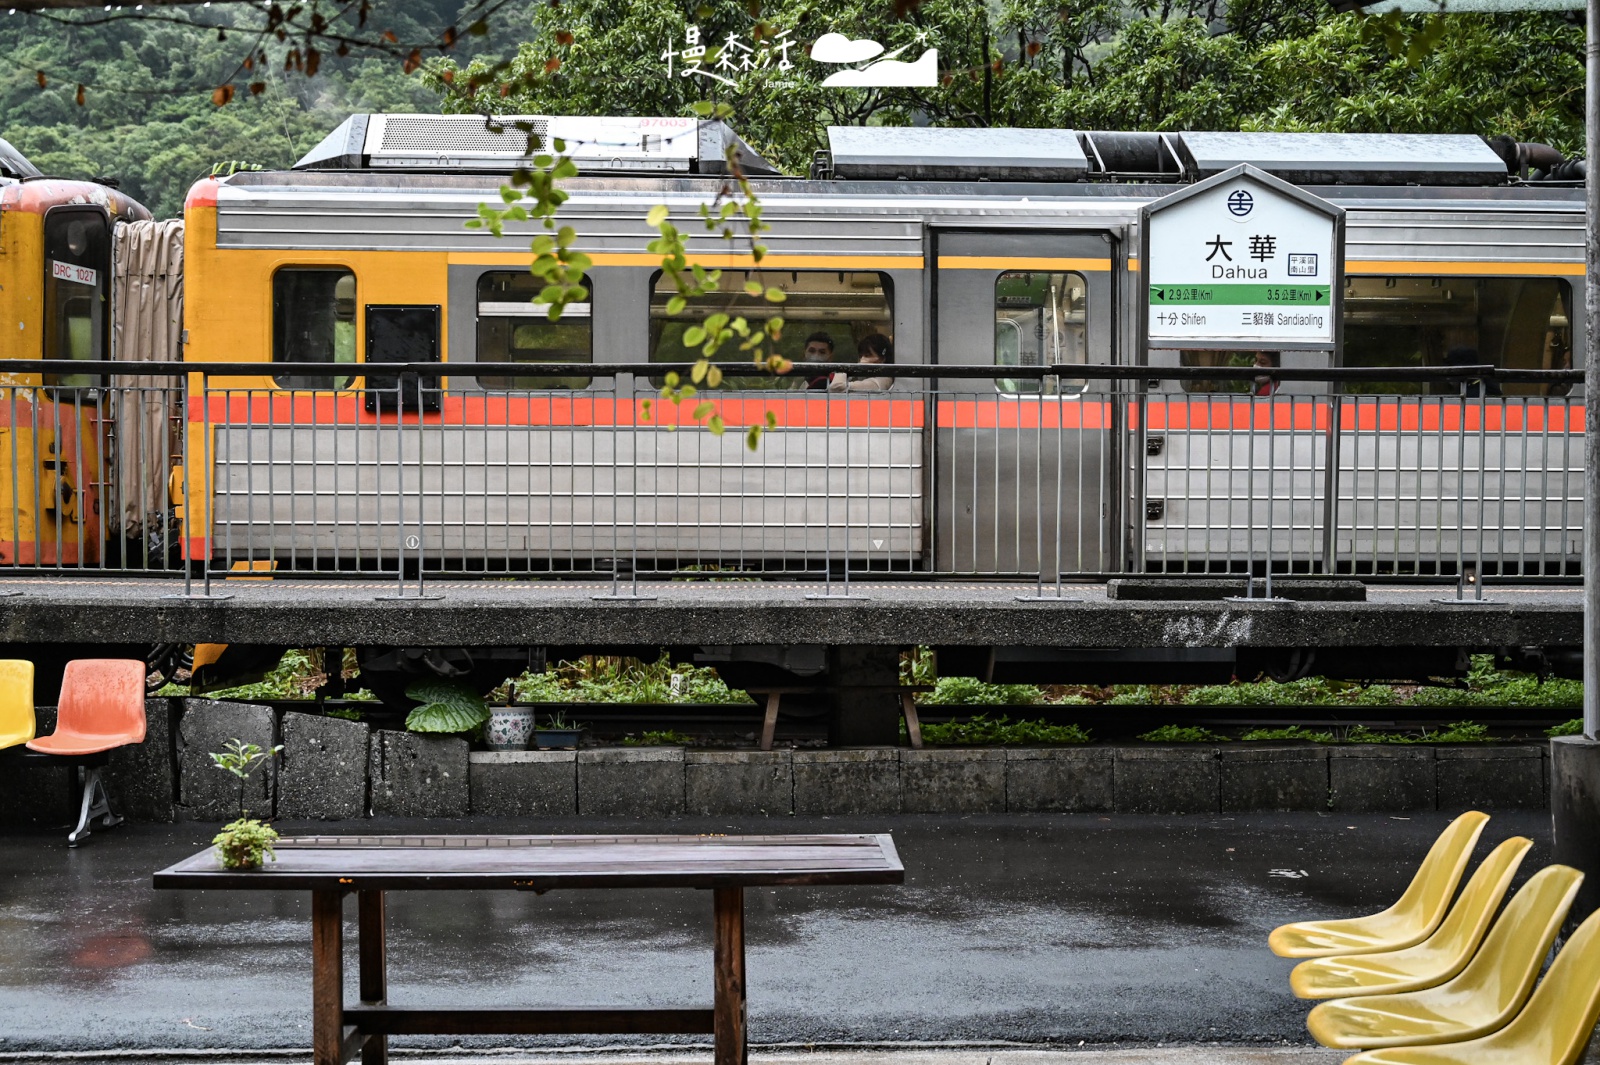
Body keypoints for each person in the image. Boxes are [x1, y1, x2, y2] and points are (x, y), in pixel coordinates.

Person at [828, 333, 895, 392]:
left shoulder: (881, 381)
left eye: (867, 355)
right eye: (861, 356)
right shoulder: (864, 377)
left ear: (882, 359)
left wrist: (844, 370)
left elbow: (837, 387)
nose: (862, 359)